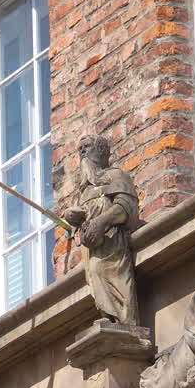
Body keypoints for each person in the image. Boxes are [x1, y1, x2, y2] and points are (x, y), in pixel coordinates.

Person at [62, 135, 141, 325]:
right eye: (80, 149)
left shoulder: (115, 176)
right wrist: (73, 216)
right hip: (93, 246)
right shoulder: (85, 191)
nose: (82, 152)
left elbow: (126, 207)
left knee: (105, 271)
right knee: (94, 275)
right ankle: (110, 318)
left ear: (101, 151)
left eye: (87, 147)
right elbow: (85, 216)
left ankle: (123, 319)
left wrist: (102, 222)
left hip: (112, 241)